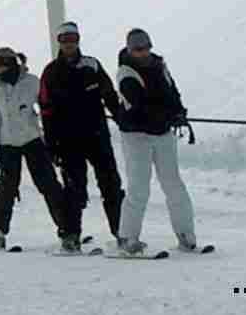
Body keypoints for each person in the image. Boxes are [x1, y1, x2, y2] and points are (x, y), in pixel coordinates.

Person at [39, 22, 124, 243]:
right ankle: (71, 235)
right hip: (68, 141)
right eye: (65, 39)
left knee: (111, 185)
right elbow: (46, 111)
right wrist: (51, 145)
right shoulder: (50, 72)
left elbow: (110, 95)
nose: (69, 43)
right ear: (59, 42)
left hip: (97, 136)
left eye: (73, 38)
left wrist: (123, 119)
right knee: (75, 189)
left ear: (78, 39)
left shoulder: (92, 65)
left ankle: (123, 233)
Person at [114, 28, 197, 255]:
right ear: (130, 50)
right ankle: (127, 239)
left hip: (162, 133)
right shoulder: (126, 73)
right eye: (138, 49)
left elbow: (171, 91)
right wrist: (169, 115)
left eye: (146, 47)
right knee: (139, 187)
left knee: (174, 184)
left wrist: (179, 112)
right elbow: (141, 106)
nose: (144, 53)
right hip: (136, 135)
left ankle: (186, 236)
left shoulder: (159, 65)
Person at [0, 47, 77, 251]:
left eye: (0, 65)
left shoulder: (32, 82)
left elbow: (47, 109)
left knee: (49, 185)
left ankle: (68, 231)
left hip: (32, 140)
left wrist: (54, 138)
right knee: (6, 189)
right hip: (7, 144)